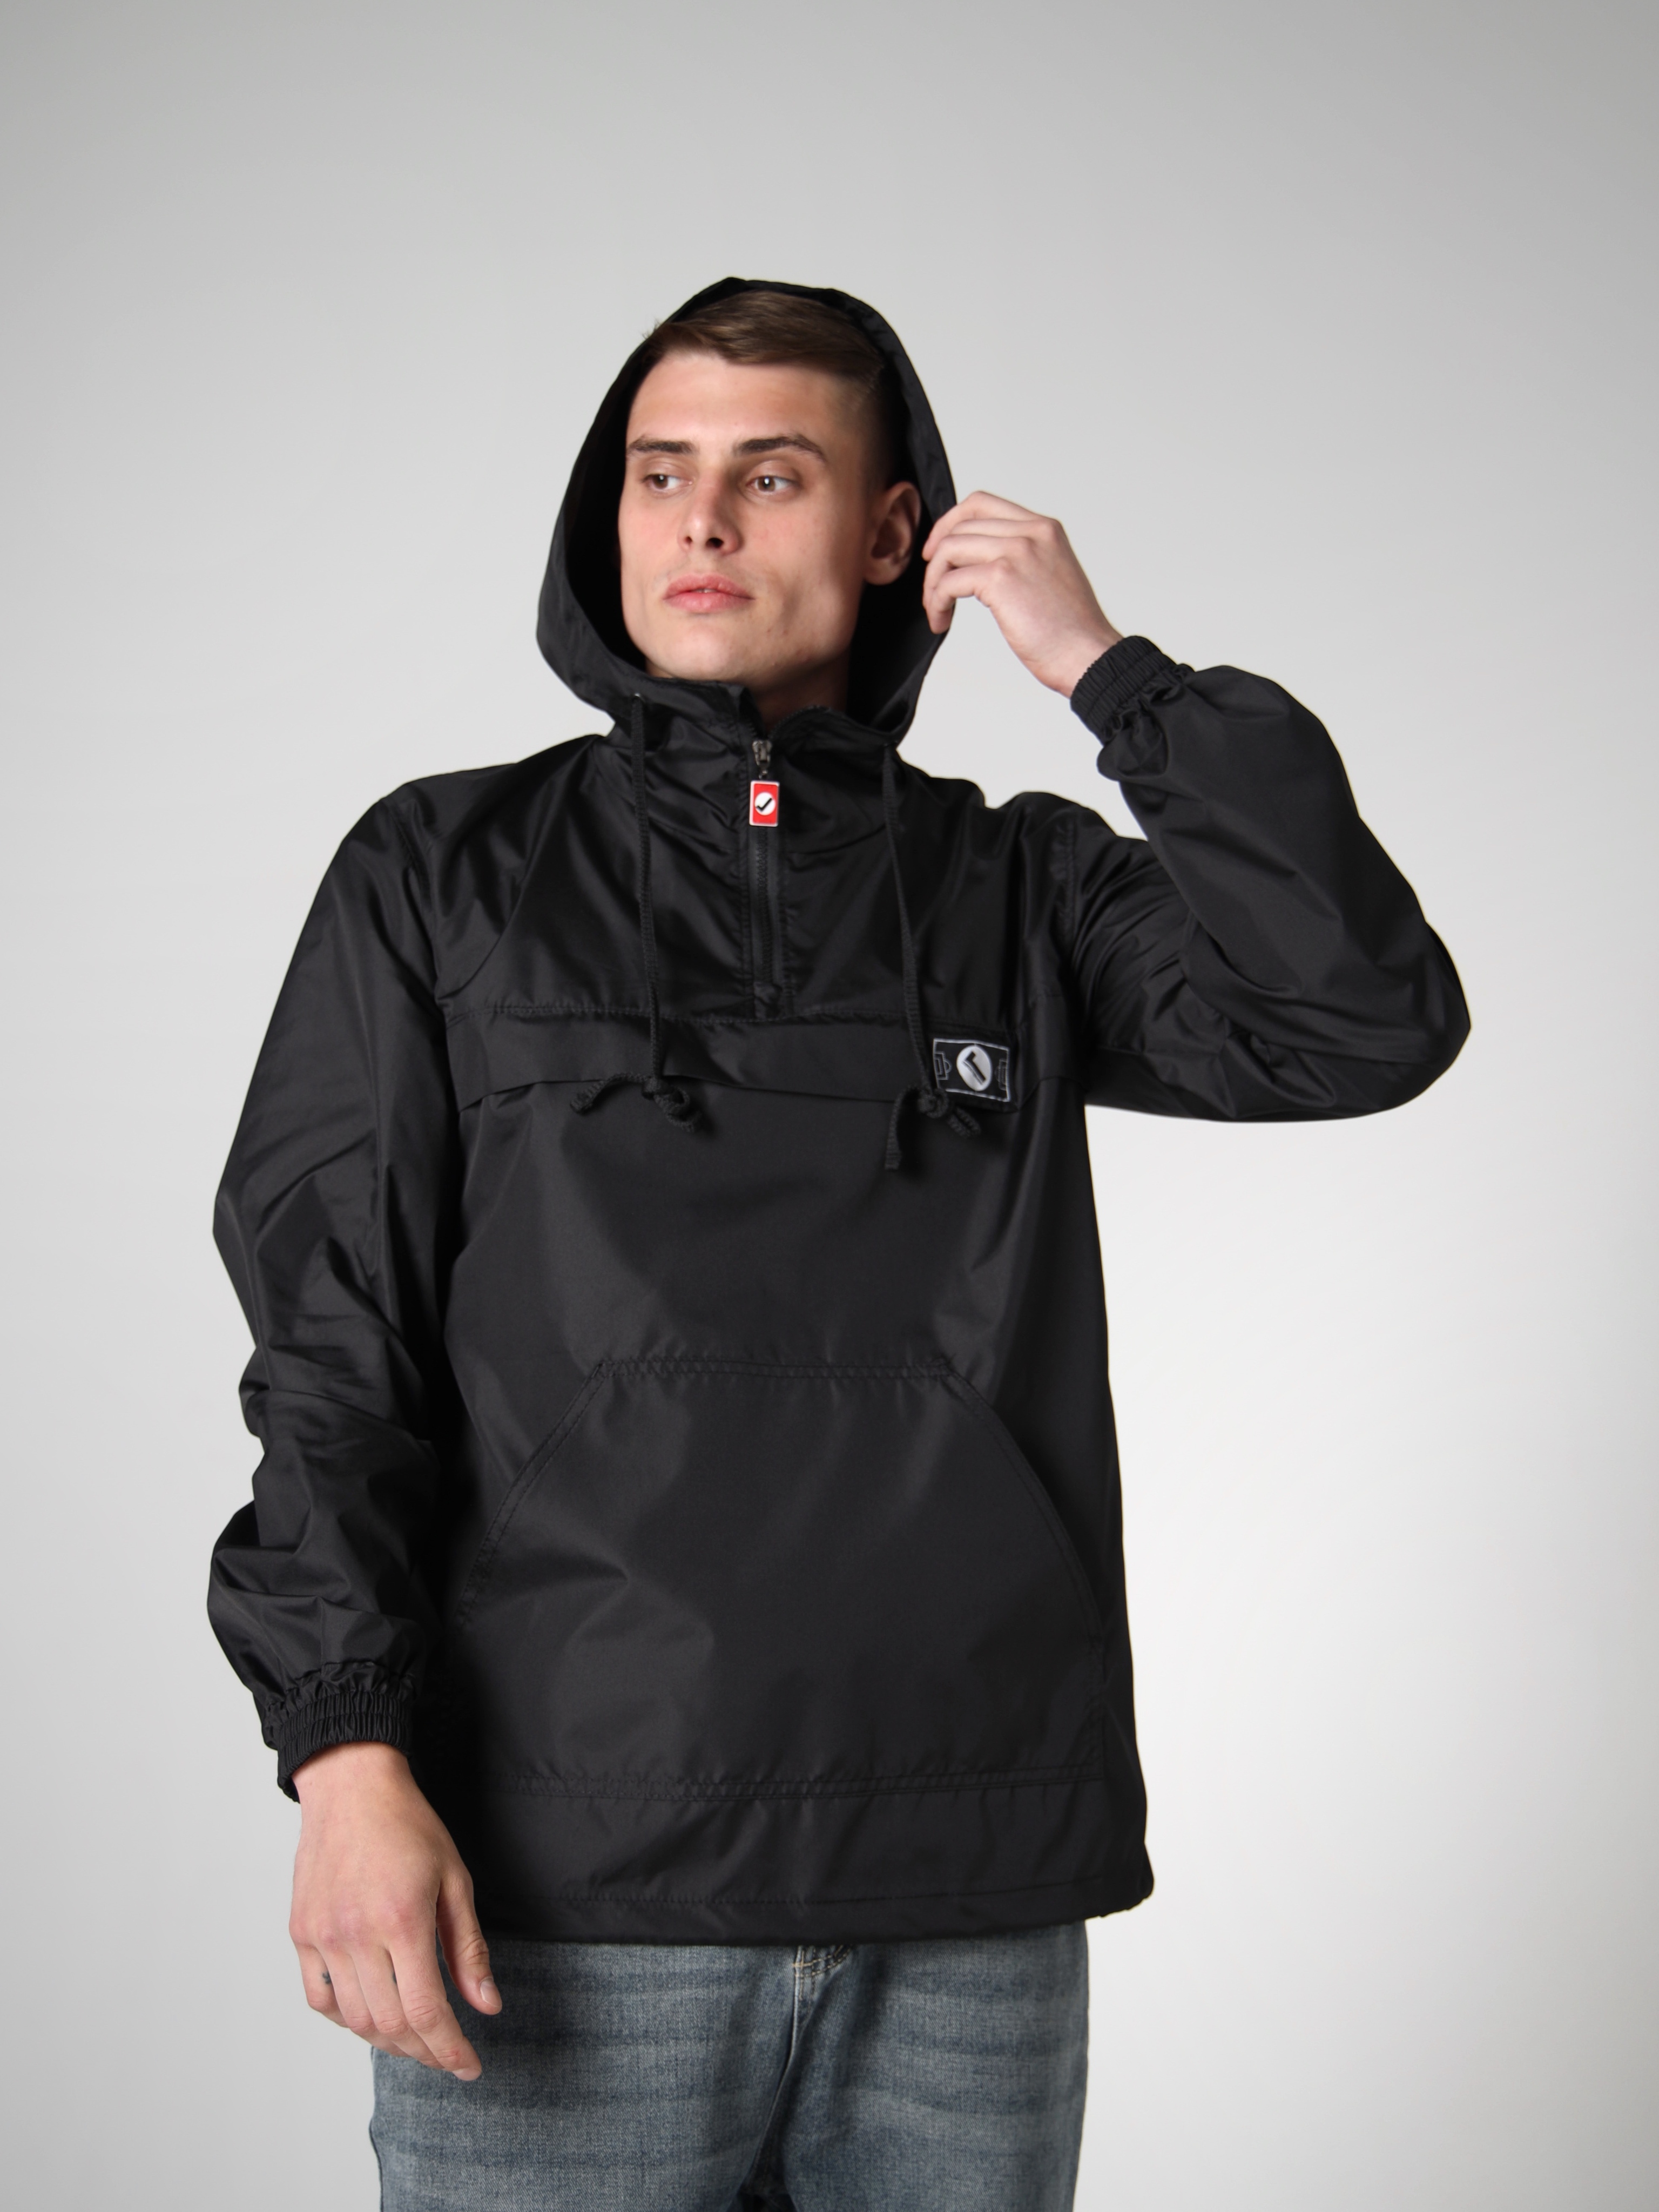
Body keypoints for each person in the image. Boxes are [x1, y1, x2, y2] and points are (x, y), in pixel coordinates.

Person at [208, 279, 1468, 2211]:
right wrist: (344, 1760)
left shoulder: (1019, 890)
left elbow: (1359, 1022)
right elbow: (330, 1344)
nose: (701, 523)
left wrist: (1116, 681)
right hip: (562, 1885)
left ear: (896, 535)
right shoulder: (444, 873)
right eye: (660, 475)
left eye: (772, 476)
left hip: (969, 1889)